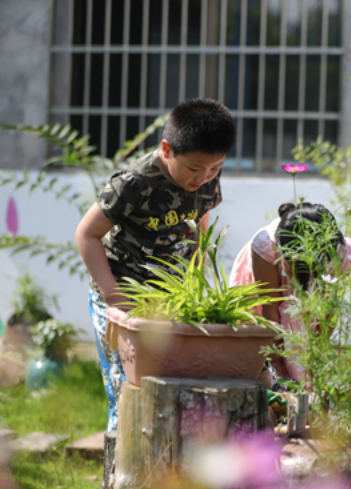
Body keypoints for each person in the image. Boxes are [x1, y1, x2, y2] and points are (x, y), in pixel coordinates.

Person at [75, 98, 236, 431]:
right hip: (122, 295)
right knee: (127, 391)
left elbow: (200, 223)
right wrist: (113, 297)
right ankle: (121, 479)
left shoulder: (206, 180)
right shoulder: (134, 182)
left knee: (171, 389)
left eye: (215, 168)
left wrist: (196, 279)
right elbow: (86, 235)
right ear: (166, 149)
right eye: (194, 169)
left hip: (171, 297)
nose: (203, 178)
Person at [229, 202, 351, 380]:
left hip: (308, 300)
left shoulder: (340, 253)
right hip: (266, 297)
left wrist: (316, 356)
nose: (300, 275)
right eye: (293, 267)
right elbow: (270, 310)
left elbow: (328, 311)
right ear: (283, 254)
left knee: (309, 375)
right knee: (264, 365)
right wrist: (275, 362)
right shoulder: (267, 246)